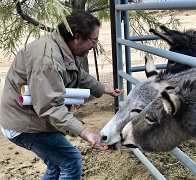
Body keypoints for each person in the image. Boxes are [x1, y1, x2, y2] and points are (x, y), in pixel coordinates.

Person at [0, 10, 123, 179]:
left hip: (31, 115)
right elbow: (51, 106)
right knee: (71, 162)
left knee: (56, 165)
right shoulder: (48, 62)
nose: (95, 45)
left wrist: (103, 89)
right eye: (93, 40)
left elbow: (77, 73)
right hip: (24, 122)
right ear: (78, 37)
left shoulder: (61, 46)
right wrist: (87, 134)